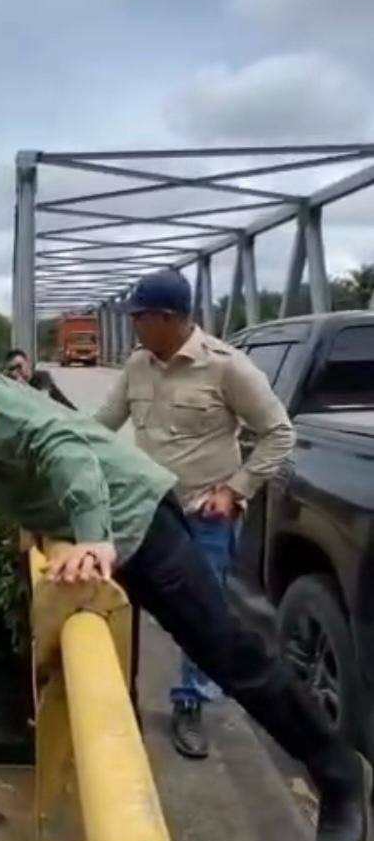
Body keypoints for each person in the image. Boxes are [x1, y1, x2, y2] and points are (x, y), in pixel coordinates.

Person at [0, 362, 371, 841]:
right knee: (121, 676)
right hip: (103, 539)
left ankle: (337, 773)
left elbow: (61, 445)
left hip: (133, 522)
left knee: (227, 652)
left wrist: (89, 535)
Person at [95, 267, 296, 760]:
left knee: (201, 617)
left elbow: (279, 433)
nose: (134, 326)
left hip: (206, 514)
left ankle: (189, 705)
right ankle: (125, 694)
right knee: (125, 601)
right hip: (145, 513)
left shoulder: (228, 367)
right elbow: (100, 427)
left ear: (167, 318)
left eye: (139, 318)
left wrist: (236, 490)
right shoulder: (137, 365)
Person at [4, 347, 76, 409]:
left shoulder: (42, 377)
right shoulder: (10, 385)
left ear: (28, 363)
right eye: (12, 369)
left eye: (19, 366)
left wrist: (22, 387)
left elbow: (42, 400)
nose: (16, 371)